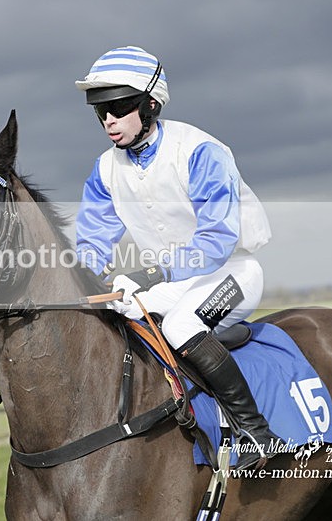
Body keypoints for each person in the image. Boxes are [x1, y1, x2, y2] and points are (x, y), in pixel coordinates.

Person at [74, 46, 281, 470]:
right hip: (172, 284)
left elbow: (216, 240)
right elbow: (91, 243)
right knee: (122, 315)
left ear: (150, 103)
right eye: (100, 111)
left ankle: (258, 434)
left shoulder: (201, 151)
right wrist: (85, 284)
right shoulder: (104, 170)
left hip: (233, 273)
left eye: (117, 107)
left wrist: (149, 272)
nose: (108, 120)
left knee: (183, 324)